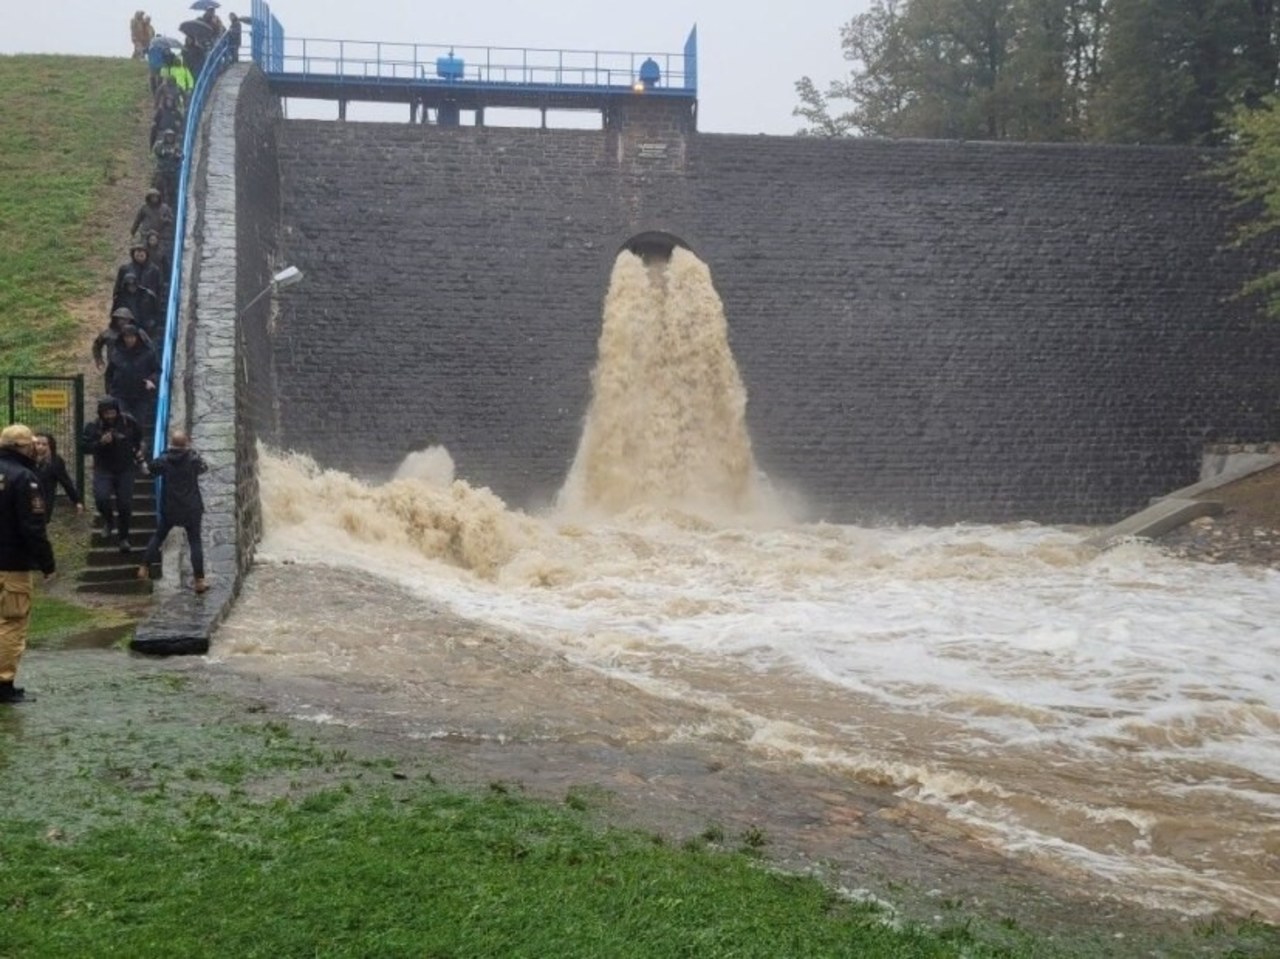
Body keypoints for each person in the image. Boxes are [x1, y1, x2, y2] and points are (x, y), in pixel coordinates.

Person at [0, 424, 57, 705]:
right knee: (12, 622)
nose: (36, 448)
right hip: (12, 564)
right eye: (32, 444)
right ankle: (4, 683)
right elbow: (33, 527)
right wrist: (47, 564)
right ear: (21, 447)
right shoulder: (25, 478)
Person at [138, 430, 208, 594]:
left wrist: (141, 460)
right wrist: (193, 452)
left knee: (159, 536)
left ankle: (143, 567)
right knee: (195, 542)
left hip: (170, 508)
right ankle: (199, 580)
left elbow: (147, 471)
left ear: (171, 444)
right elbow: (204, 468)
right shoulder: (192, 459)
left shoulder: (164, 460)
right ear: (186, 444)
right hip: (191, 508)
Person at [80, 397, 146, 554]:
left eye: (112, 412)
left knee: (125, 505)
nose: (109, 416)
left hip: (126, 469)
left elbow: (139, 440)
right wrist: (101, 443)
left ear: (117, 411)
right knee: (101, 498)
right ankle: (109, 521)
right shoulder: (93, 427)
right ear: (100, 413)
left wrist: (140, 454)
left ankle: (124, 537)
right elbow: (84, 447)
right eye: (106, 413)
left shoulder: (129, 422)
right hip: (103, 469)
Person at [105, 325, 160, 434]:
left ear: (137, 337)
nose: (129, 340)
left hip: (141, 395)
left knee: (139, 423)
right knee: (121, 422)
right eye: (126, 337)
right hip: (120, 394)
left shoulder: (147, 353)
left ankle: (138, 446)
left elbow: (157, 370)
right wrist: (109, 391)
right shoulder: (117, 353)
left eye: (132, 337)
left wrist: (151, 380)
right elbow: (109, 374)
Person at [32, 433, 83, 520]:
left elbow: (65, 482)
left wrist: (77, 500)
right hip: (26, 497)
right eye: (38, 443)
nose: (40, 447)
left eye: (44, 444)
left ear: (50, 446)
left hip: (44, 499)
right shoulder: (27, 458)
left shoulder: (55, 461)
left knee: (38, 523)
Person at [93, 307, 154, 377]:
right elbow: (97, 345)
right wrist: (99, 360)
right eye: (119, 319)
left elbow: (149, 347)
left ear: (130, 320)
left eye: (125, 319)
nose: (122, 321)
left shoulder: (138, 333)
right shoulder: (108, 334)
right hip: (114, 369)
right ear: (115, 319)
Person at [152, 128, 183, 206]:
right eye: (168, 136)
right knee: (159, 189)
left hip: (171, 173)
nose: (170, 138)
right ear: (165, 137)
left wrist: (178, 156)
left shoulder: (176, 147)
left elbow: (181, 155)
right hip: (161, 172)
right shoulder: (160, 144)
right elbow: (157, 151)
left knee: (171, 191)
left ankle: (169, 206)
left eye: (171, 137)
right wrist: (166, 152)